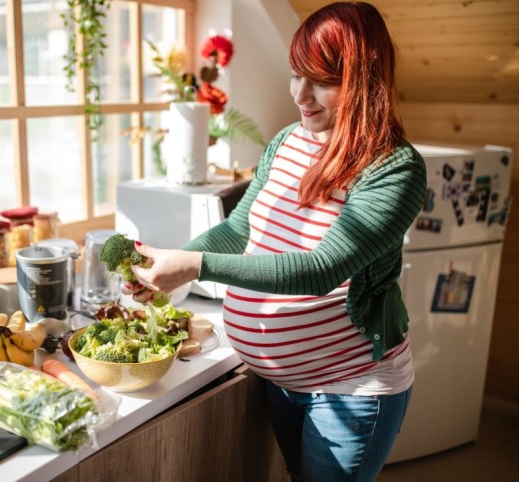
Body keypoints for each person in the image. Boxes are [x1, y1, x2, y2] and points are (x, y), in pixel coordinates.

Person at [123, 2, 427, 481]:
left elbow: (321, 267)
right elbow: (238, 230)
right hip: (280, 382)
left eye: (322, 80)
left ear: (365, 80)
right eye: (294, 75)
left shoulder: (394, 170)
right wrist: (169, 264)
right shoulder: (287, 142)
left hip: (350, 389)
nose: (300, 95)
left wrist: (193, 265)